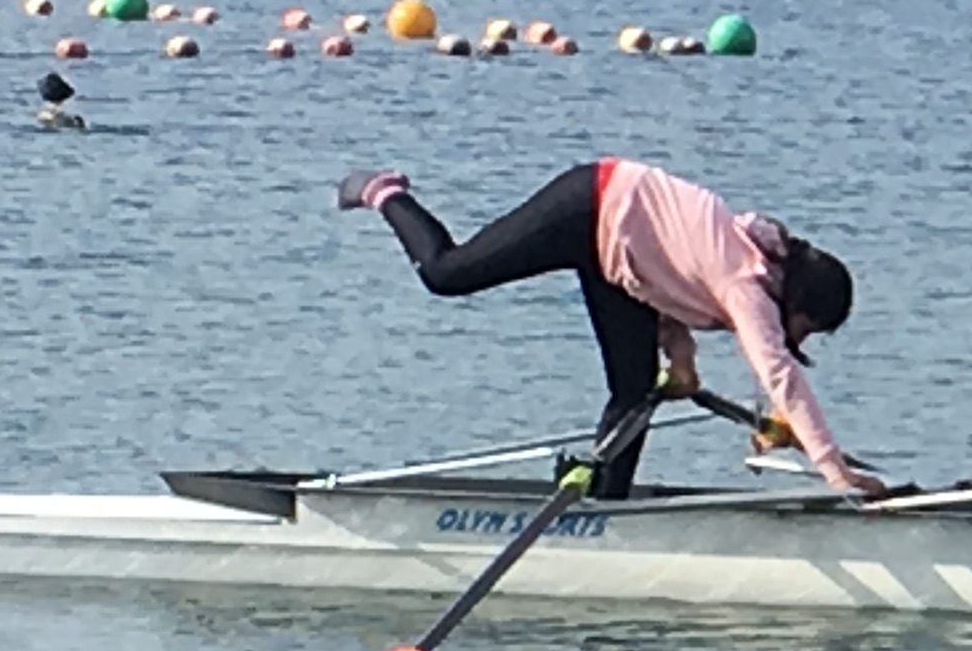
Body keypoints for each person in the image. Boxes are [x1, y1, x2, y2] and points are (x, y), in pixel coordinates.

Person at [335, 157, 884, 500]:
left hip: (619, 259)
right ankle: (384, 191)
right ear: (796, 300)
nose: (797, 340)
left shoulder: (753, 269)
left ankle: (604, 509)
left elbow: (671, 275)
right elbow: (778, 374)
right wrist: (833, 471)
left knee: (634, 389)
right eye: (805, 329)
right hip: (588, 204)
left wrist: (682, 359)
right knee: (446, 274)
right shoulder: (746, 283)